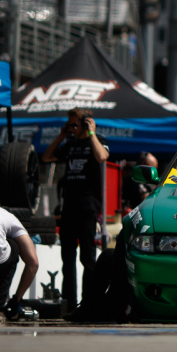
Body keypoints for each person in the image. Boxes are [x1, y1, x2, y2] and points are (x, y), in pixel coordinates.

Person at [41, 108, 109, 317]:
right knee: (67, 257)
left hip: (88, 207)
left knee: (87, 258)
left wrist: (91, 134)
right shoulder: (69, 144)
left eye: (74, 125)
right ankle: (70, 305)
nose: (71, 128)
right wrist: (62, 135)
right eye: (69, 125)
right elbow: (46, 157)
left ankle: (88, 305)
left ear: (86, 123)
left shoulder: (97, 140)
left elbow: (102, 156)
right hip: (69, 207)